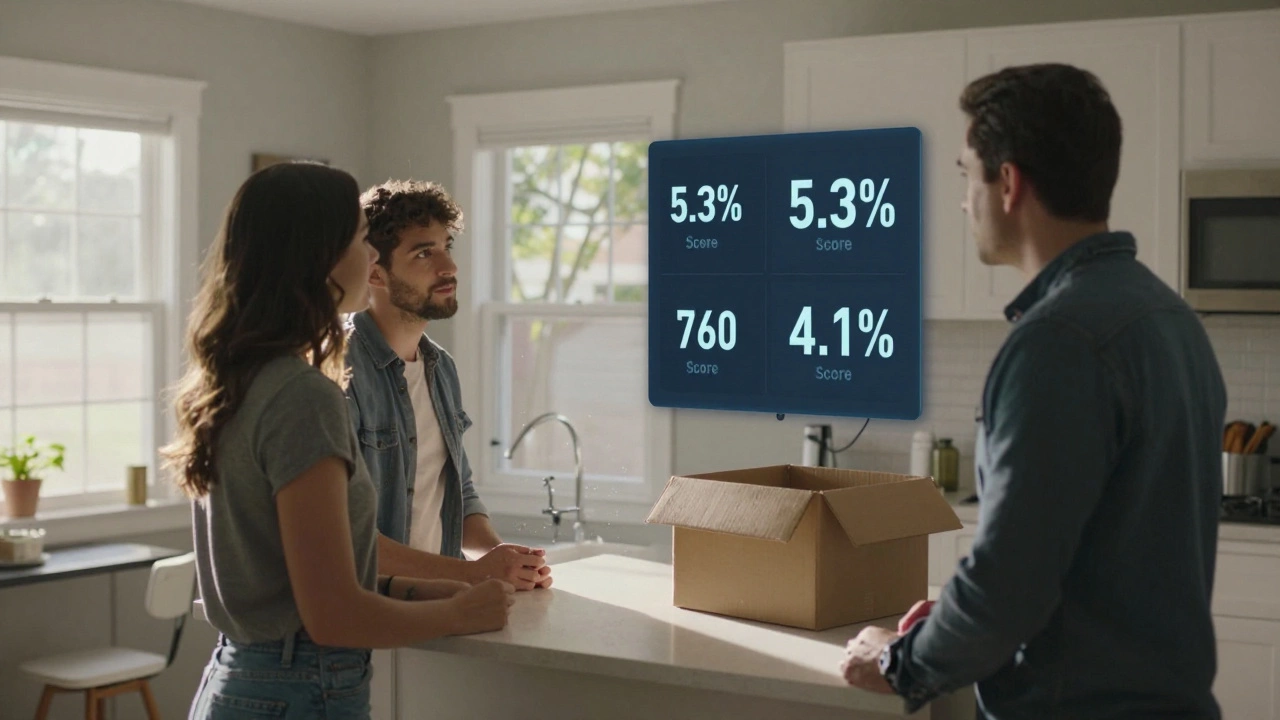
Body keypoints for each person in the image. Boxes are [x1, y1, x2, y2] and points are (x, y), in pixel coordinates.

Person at [841, 63, 1227, 719]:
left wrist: (899, 661)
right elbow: (1092, 561)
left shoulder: (1057, 343)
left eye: (967, 174)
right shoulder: (1170, 318)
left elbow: (1007, 585)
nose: (965, 200)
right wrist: (947, 626)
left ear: (1010, 182)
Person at [164, 162, 515, 719]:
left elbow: (312, 572)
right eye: (358, 239)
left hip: (245, 679)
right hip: (300, 690)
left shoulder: (242, 379)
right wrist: (460, 612)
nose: (371, 255)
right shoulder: (304, 395)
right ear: (317, 258)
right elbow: (332, 614)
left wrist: (442, 588)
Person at [345, 178, 552, 590]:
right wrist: (474, 573)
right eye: (424, 253)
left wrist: (501, 559)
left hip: (438, 602)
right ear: (375, 273)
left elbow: (458, 489)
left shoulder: (442, 368)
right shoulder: (338, 370)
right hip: (372, 611)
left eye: (446, 248)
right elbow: (342, 537)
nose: (449, 268)